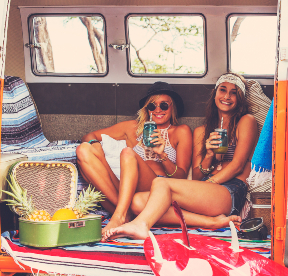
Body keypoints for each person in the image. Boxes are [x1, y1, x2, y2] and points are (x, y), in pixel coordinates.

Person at [102, 73, 258, 241]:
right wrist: (209, 156)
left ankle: (141, 225)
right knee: (137, 202)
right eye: (223, 90)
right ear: (215, 94)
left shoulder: (246, 121)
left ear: (240, 98)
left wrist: (209, 183)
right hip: (206, 191)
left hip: (231, 190)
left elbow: (238, 165)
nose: (227, 96)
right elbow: (198, 175)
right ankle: (212, 222)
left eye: (233, 92)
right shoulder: (201, 132)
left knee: (161, 182)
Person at [76, 82, 192, 233]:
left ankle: (120, 215)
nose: (158, 110)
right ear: (147, 109)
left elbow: (181, 177)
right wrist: (95, 144)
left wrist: (162, 155)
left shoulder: (181, 131)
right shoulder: (133, 128)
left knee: (128, 153)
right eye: (152, 106)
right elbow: (88, 136)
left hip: (157, 189)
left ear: (173, 107)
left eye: (164, 105)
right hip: (124, 192)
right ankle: (125, 212)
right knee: (83, 150)